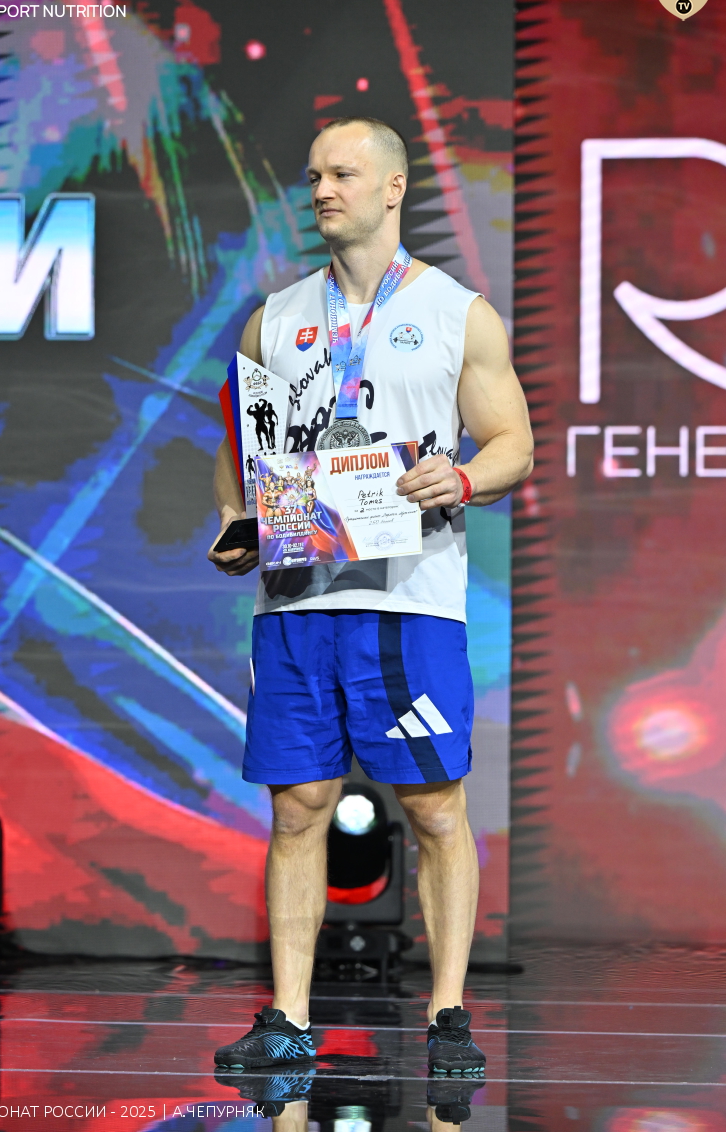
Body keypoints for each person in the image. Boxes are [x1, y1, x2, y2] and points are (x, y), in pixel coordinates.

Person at [208, 116, 533, 1075]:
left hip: (409, 601)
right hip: (298, 602)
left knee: (433, 807)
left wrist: (461, 479)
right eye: (314, 175)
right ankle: (288, 1018)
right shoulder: (274, 318)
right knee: (298, 805)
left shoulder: (457, 313)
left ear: (394, 187)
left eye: (343, 173)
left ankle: (447, 1019)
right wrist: (235, 521)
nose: (322, 190)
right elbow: (240, 451)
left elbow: (512, 443)